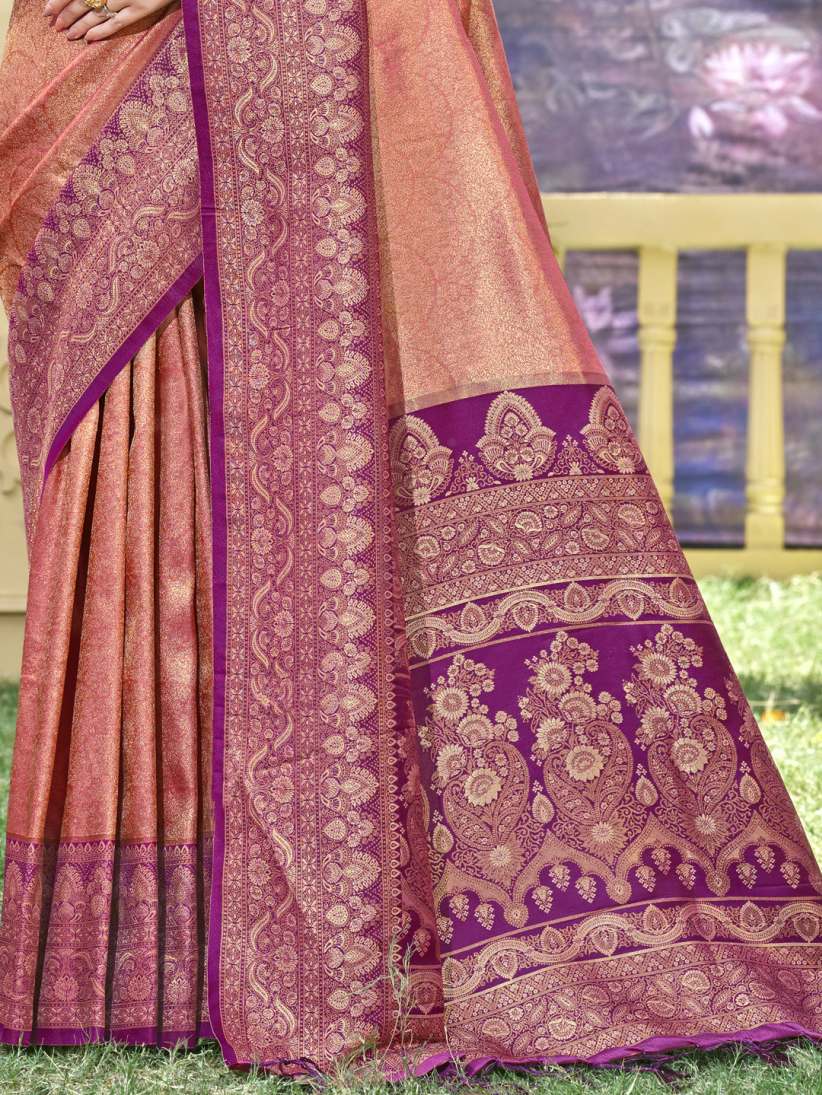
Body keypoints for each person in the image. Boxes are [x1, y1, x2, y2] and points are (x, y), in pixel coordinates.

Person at [0, 0, 819, 1076]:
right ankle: (151, 941)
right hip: (103, 46)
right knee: (126, 405)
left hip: (315, 31)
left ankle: (359, 936)